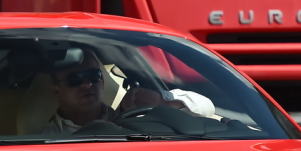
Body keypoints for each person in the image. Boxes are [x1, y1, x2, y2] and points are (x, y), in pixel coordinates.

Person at [42, 49, 215, 135]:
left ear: (102, 80)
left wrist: (162, 101)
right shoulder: (47, 139)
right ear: (56, 91)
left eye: (93, 76)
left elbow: (207, 108)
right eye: (75, 79)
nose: (87, 84)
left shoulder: (133, 112)